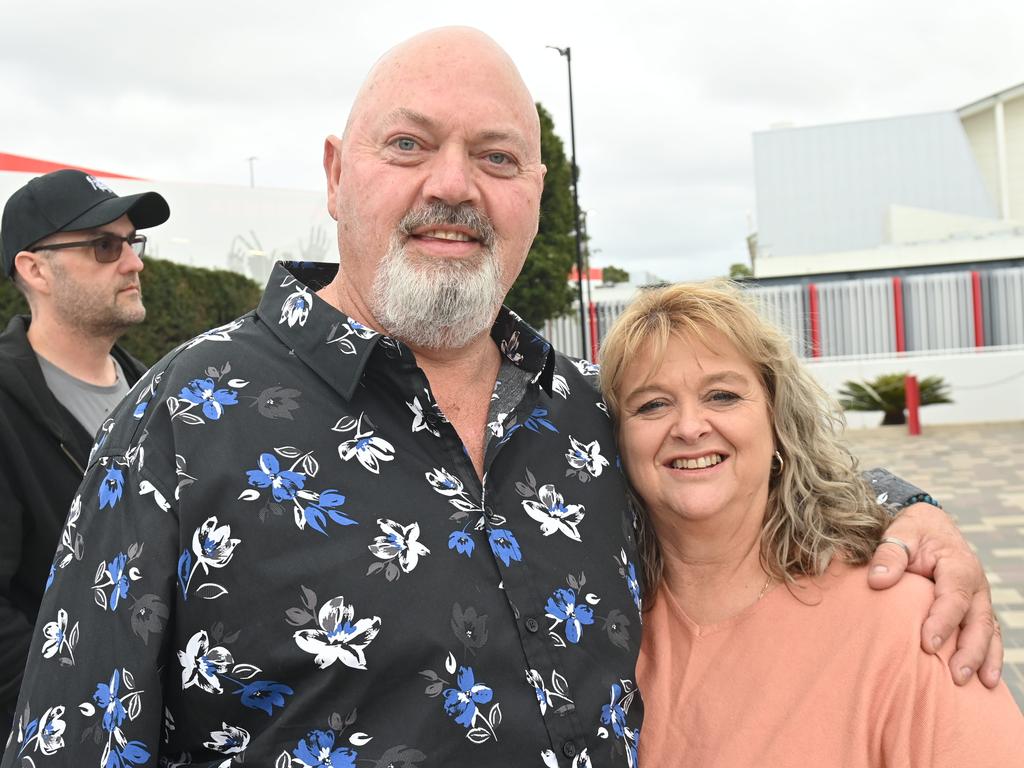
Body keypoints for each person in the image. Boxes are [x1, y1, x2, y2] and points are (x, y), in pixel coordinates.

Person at [0, 28, 1001, 768]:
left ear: (531, 195)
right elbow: (68, 740)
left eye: (496, 157)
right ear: (336, 175)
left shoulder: (582, 417)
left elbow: (727, 471)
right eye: (408, 146)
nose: (455, 185)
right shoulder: (181, 418)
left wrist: (910, 514)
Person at [599, 281, 1023, 766]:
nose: (690, 426)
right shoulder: (597, 633)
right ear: (617, 440)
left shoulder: (908, 620)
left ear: (777, 418)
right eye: (652, 404)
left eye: (721, 395)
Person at [0, 169, 169, 744]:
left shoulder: (157, 396)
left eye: (132, 242)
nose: (133, 263)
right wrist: (76, 712)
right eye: (104, 246)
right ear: (34, 269)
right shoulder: (6, 404)